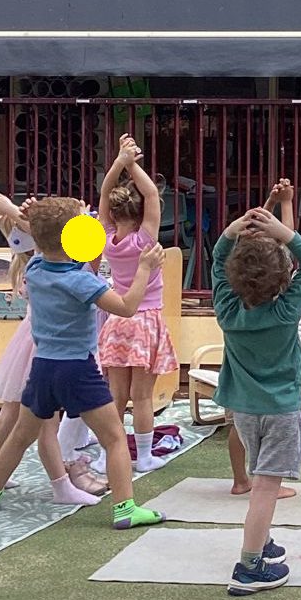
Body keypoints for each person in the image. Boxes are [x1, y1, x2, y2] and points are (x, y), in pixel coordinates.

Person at [0, 198, 167, 530]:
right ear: (74, 239)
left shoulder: (34, 269)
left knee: (21, 435)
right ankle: (125, 509)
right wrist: (144, 269)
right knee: (115, 438)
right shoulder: (82, 282)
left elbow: (51, 240)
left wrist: (31, 216)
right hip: (77, 370)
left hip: (43, 368)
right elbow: (126, 306)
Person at [212, 206, 301, 595]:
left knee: (262, 483)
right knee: (265, 488)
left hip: (243, 411)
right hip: (281, 411)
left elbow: (217, 258)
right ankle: (250, 566)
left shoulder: (226, 309)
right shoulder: (287, 310)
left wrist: (231, 230)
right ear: (283, 279)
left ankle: (262, 540)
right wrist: (283, 232)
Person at [0, 192, 98, 507]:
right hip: (44, 348)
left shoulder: (34, 266)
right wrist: (17, 212)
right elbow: (58, 238)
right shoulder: (51, 266)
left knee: (14, 415)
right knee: (44, 423)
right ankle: (59, 486)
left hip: (32, 343)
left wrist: (14, 213)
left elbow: (48, 237)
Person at [95, 134, 178, 474]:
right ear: (141, 212)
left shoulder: (105, 237)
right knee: (142, 397)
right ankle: (143, 455)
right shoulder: (145, 239)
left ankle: (106, 455)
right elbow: (152, 193)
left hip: (117, 319)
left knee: (115, 395)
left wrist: (118, 162)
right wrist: (132, 163)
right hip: (146, 321)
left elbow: (103, 193)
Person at [226, 178, 300, 501]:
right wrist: (282, 206)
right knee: (271, 436)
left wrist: (272, 206)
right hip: (277, 391)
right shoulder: (282, 305)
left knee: (238, 424)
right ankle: (263, 481)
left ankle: (241, 479)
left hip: (242, 386)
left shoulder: (229, 304)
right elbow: (295, 256)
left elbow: (240, 248)